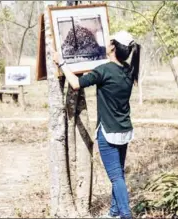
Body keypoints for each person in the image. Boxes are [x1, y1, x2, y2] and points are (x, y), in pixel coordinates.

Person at [52, 30, 141, 219]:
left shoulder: (105, 70)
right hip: (124, 130)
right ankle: (115, 212)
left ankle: (126, 215)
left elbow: (76, 83)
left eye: (109, 42)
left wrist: (61, 62)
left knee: (116, 177)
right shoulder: (128, 70)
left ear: (113, 48)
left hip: (108, 132)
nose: (106, 44)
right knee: (119, 174)